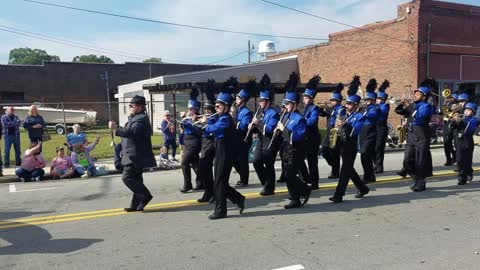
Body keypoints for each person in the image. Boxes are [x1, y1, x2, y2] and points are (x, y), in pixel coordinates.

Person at [109, 95, 157, 212]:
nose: (129, 107)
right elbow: (128, 136)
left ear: (140, 107)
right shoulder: (134, 118)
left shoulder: (141, 119)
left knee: (127, 177)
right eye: (129, 105)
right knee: (136, 179)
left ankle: (145, 195)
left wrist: (116, 128)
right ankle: (135, 205)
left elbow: (133, 132)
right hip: (131, 155)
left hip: (136, 156)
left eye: (132, 105)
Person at [203, 90, 245, 220]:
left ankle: (221, 210)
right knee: (220, 182)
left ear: (226, 107)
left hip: (226, 153)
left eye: (218, 106)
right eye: (215, 106)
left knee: (219, 182)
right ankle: (238, 198)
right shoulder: (220, 117)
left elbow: (214, 129)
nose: (215, 108)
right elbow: (208, 132)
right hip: (220, 151)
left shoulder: (226, 119)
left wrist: (206, 123)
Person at [329, 76, 370, 203]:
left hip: (350, 145)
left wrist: (345, 124)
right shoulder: (342, 113)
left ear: (356, 105)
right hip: (341, 143)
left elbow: (354, 132)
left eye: (350, 104)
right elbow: (334, 125)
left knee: (345, 171)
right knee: (348, 169)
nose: (347, 106)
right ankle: (362, 188)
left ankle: (339, 194)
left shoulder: (359, 116)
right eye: (346, 103)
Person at [277, 89, 311, 209]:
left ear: (295, 104)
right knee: (287, 175)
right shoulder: (286, 115)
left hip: (296, 149)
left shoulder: (299, 118)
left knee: (290, 174)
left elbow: (298, 136)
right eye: (285, 104)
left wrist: (283, 129)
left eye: (288, 104)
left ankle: (305, 190)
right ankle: (294, 199)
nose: (285, 106)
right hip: (286, 148)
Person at [396, 85, 433, 192]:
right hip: (411, 135)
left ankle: (421, 182)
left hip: (421, 135)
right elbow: (399, 112)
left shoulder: (426, 106)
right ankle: (416, 178)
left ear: (424, 96)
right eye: (415, 94)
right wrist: (402, 104)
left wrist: (409, 106)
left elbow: (419, 116)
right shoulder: (412, 105)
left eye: (418, 94)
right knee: (407, 160)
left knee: (420, 161)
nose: (415, 95)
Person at [251, 75, 280, 196]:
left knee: (269, 164)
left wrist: (258, 123)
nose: (260, 103)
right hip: (261, 140)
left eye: (262, 101)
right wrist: (252, 127)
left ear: (268, 102)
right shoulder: (259, 112)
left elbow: (270, 128)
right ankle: (266, 183)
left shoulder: (273, 113)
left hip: (270, 140)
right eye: (259, 101)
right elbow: (258, 127)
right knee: (256, 161)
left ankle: (269, 188)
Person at [299, 75, 322, 190]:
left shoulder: (314, 109)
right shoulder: (302, 108)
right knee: (298, 159)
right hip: (304, 137)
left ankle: (314, 182)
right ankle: (306, 178)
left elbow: (312, 122)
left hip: (312, 137)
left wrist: (301, 120)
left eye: (307, 98)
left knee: (312, 161)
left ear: (312, 99)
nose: (304, 99)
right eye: (304, 97)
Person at [320, 83, 345, 179]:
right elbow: (323, 114)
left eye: (334, 100)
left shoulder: (341, 109)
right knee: (325, 150)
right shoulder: (331, 109)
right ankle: (334, 166)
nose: (332, 102)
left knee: (335, 152)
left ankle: (335, 171)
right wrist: (321, 108)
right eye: (332, 100)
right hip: (329, 130)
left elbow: (337, 115)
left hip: (335, 131)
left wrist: (327, 108)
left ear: (338, 101)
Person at [179, 89, 202, 193]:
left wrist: (192, 122)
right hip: (188, 143)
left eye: (191, 109)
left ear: (196, 109)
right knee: (195, 164)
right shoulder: (188, 118)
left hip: (194, 143)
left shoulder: (199, 118)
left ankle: (187, 185)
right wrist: (183, 119)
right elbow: (183, 127)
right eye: (188, 108)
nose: (189, 110)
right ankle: (202, 183)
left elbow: (198, 131)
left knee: (184, 163)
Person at [232, 82, 254, 187]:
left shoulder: (246, 112)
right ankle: (242, 176)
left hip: (243, 138)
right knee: (234, 159)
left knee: (242, 160)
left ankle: (244, 180)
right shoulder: (237, 110)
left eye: (238, 99)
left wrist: (233, 121)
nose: (236, 100)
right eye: (236, 98)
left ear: (243, 101)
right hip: (236, 138)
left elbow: (243, 126)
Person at [451, 102, 478, 185]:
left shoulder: (475, 120)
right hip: (459, 141)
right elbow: (452, 127)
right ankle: (461, 178)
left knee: (467, 160)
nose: (466, 111)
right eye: (466, 109)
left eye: (469, 110)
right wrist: (453, 119)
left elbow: (468, 128)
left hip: (468, 141)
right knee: (459, 160)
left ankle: (469, 171)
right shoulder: (461, 117)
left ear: (473, 112)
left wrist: (459, 121)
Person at [360, 79, 380, 183]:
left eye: (368, 100)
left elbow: (371, 116)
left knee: (364, 155)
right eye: (365, 99)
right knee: (365, 157)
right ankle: (370, 176)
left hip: (371, 134)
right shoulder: (364, 108)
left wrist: (362, 110)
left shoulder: (375, 108)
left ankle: (368, 176)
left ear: (373, 100)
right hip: (363, 134)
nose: (366, 101)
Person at [197, 97, 217, 203]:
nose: (206, 112)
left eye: (209, 109)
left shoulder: (214, 119)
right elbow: (199, 131)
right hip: (204, 145)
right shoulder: (207, 119)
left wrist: (204, 123)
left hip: (211, 145)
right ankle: (209, 191)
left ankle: (212, 192)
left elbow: (211, 132)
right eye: (205, 110)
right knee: (203, 170)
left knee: (204, 168)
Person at [374, 80, 390, 173]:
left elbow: (381, 112)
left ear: (383, 99)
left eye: (379, 98)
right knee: (373, 147)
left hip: (381, 128)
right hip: (374, 127)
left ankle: (379, 167)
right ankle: (375, 164)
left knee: (379, 148)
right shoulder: (375, 106)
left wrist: (374, 106)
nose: (377, 100)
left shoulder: (385, 106)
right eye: (377, 98)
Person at [442, 92, 457, 166]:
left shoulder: (456, 106)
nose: (448, 99)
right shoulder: (447, 105)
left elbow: (449, 113)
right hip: (446, 124)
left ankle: (454, 156)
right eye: (448, 98)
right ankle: (448, 159)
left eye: (450, 98)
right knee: (446, 144)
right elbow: (443, 113)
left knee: (449, 143)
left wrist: (446, 105)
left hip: (452, 125)